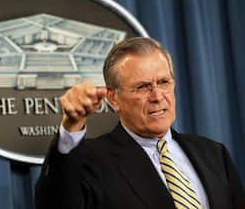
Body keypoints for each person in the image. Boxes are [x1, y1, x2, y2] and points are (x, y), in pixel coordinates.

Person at [35, 37, 245, 209]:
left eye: (163, 82)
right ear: (113, 98)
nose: (157, 96)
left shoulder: (214, 154)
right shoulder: (92, 162)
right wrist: (72, 126)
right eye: (142, 87)